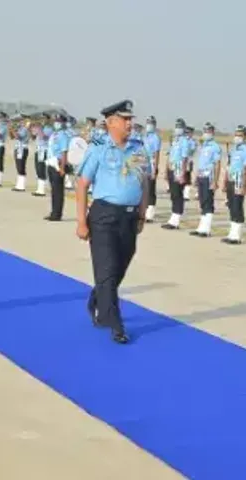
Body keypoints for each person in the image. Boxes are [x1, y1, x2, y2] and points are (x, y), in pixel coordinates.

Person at [75, 99, 149, 345]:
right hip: (104, 216)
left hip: (129, 218)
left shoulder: (138, 149)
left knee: (118, 268)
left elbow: (144, 182)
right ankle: (115, 323)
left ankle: (98, 298)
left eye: (131, 119)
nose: (130, 123)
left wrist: (141, 213)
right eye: (124, 119)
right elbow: (82, 184)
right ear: (110, 122)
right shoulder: (99, 149)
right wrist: (81, 222)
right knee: (106, 270)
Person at [190, 122, 222, 237]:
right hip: (201, 176)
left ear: (213, 132)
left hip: (209, 177)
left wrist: (215, 181)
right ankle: (201, 227)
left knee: (208, 202)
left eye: (208, 131)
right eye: (205, 131)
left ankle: (206, 229)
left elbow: (217, 164)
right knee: (202, 201)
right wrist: (196, 177)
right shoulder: (203, 146)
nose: (206, 133)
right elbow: (200, 163)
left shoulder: (215, 147)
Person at [222, 125, 246, 244]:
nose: (237, 137)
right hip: (231, 179)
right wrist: (225, 181)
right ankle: (232, 233)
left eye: (240, 135)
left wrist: (244, 185)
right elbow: (228, 166)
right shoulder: (234, 150)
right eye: (236, 134)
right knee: (231, 206)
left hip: (239, 180)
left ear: (245, 136)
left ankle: (237, 235)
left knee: (237, 206)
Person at [162, 118, 193, 229]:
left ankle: (176, 219)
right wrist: (166, 170)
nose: (177, 128)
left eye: (179, 126)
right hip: (172, 168)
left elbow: (185, 158)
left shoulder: (185, 141)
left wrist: (182, 174)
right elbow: (170, 156)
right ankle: (173, 217)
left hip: (179, 169)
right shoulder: (175, 140)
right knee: (173, 194)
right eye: (176, 126)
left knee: (177, 194)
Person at [45, 113, 71, 221]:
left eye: (59, 122)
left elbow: (64, 152)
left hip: (59, 164)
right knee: (53, 190)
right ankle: (53, 212)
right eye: (56, 121)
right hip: (51, 163)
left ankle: (57, 214)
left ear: (63, 123)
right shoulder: (54, 134)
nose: (57, 123)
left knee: (58, 190)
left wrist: (63, 167)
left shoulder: (63, 135)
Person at [143, 115, 162, 223]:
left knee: (150, 190)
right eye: (148, 123)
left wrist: (155, 169)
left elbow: (156, 153)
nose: (149, 125)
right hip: (142, 165)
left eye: (151, 123)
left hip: (151, 165)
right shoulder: (145, 136)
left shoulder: (155, 137)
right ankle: (144, 210)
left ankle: (150, 213)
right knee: (143, 189)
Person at [32, 114, 51, 196]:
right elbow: (33, 137)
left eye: (44, 119)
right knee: (37, 169)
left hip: (44, 150)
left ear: (48, 120)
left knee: (41, 169)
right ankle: (39, 189)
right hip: (38, 150)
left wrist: (39, 130)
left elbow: (45, 138)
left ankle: (42, 190)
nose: (42, 120)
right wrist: (32, 130)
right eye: (41, 118)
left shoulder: (49, 128)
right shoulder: (40, 128)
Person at [10, 116, 30, 192]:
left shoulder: (25, 129)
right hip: (18, 148)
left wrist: (13, 130)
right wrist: (11, 130)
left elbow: (18, 137)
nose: (20, 122)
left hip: (22, 149)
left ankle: (21, 186)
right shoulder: (20, 129)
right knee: (18, 166)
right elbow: (12, 137)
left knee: (21, 167)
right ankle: (19, 184)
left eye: (22, 121)